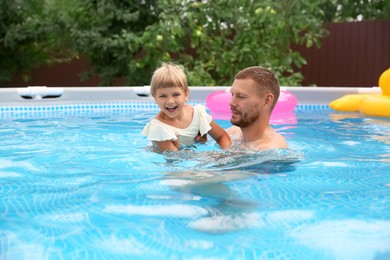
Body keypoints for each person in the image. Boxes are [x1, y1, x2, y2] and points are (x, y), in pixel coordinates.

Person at [142, 62, 231, 152]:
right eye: (163, 96)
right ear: (155, 98)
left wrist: (226, 153)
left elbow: (222, 136)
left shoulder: (198, 114)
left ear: (186, 94)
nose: (170, 101)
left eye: (176, 94)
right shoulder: (158, 127)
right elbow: (175, 159)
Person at [227, 66, 288, 150]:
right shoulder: (232, 133)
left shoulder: (271, 148)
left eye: (241, 96)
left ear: (267, 101)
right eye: (232, 94)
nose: (231, 103)